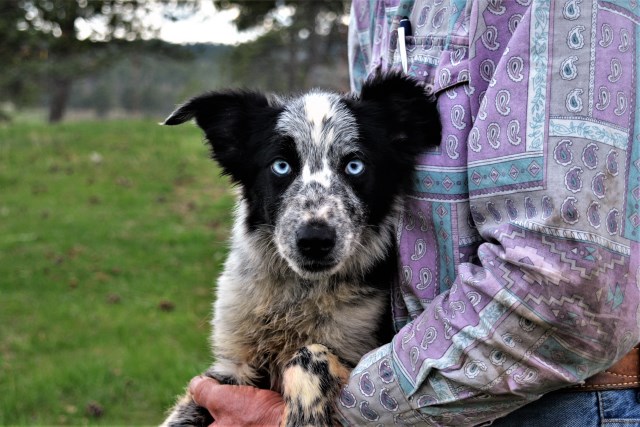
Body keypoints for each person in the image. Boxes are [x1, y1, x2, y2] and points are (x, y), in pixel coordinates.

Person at [188, 0, 640, 425]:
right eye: (284, 166)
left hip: (557, 405)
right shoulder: (372, 6)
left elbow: (568, 284)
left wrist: (329, 414)